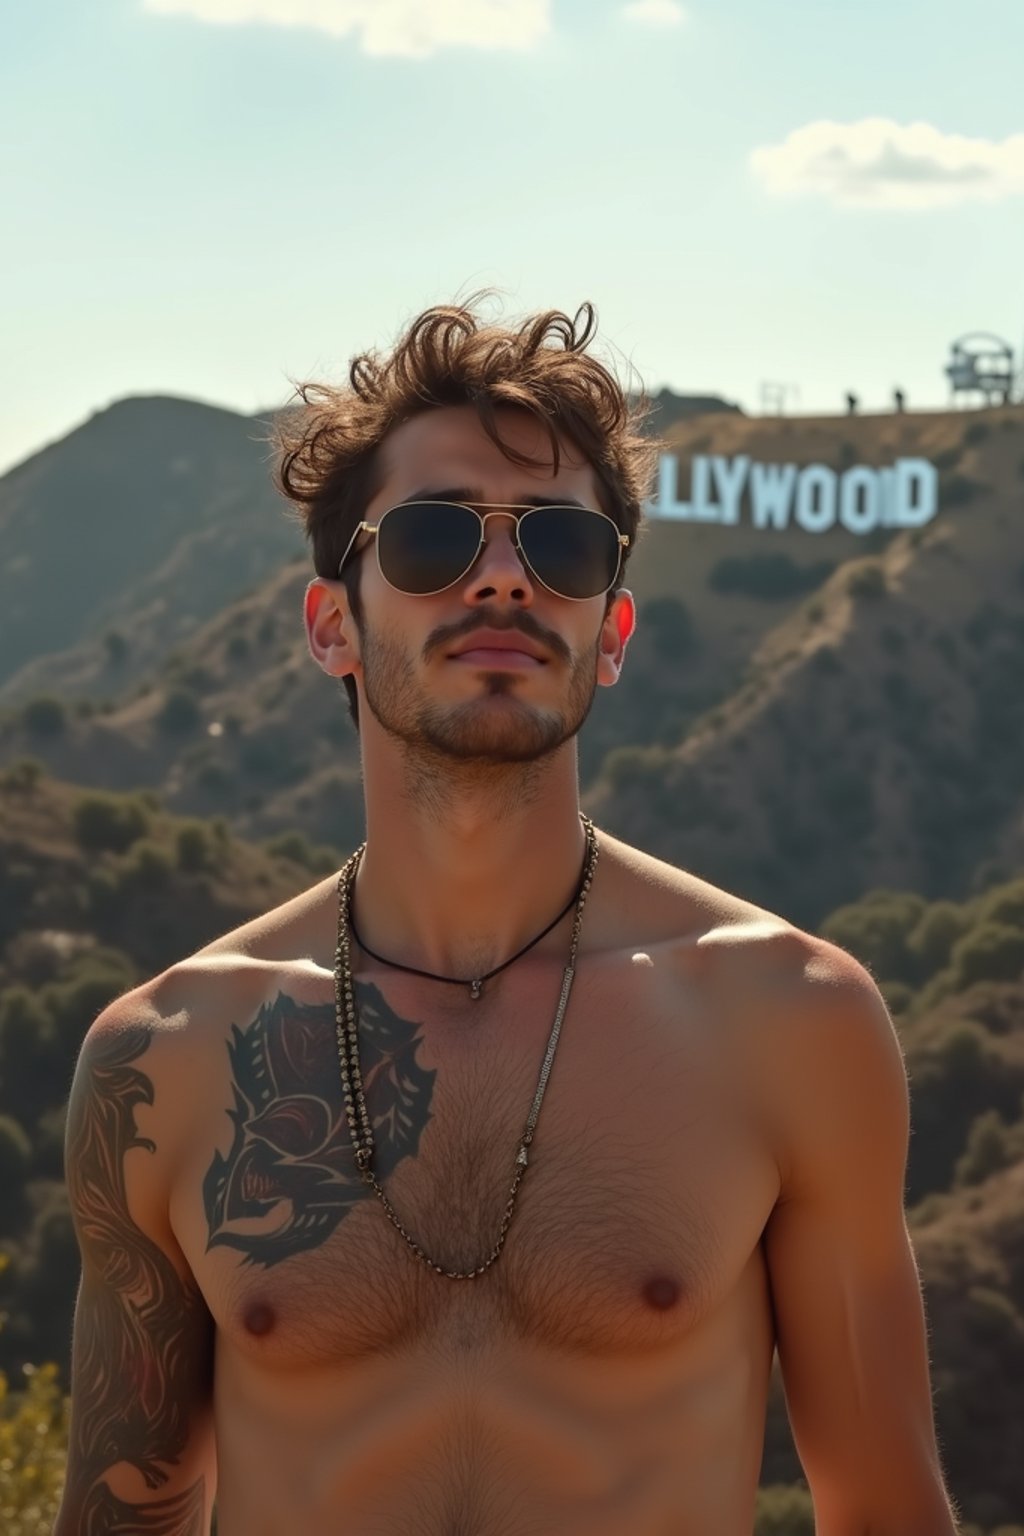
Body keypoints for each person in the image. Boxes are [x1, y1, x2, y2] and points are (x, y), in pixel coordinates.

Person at [56, 300, 960, 1535]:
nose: (500, 574)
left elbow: (888, 1511)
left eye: (563, 548)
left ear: (612, 634)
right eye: (432, 538)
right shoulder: (163, 1059)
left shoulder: (787, 1020)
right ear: (334, 626)